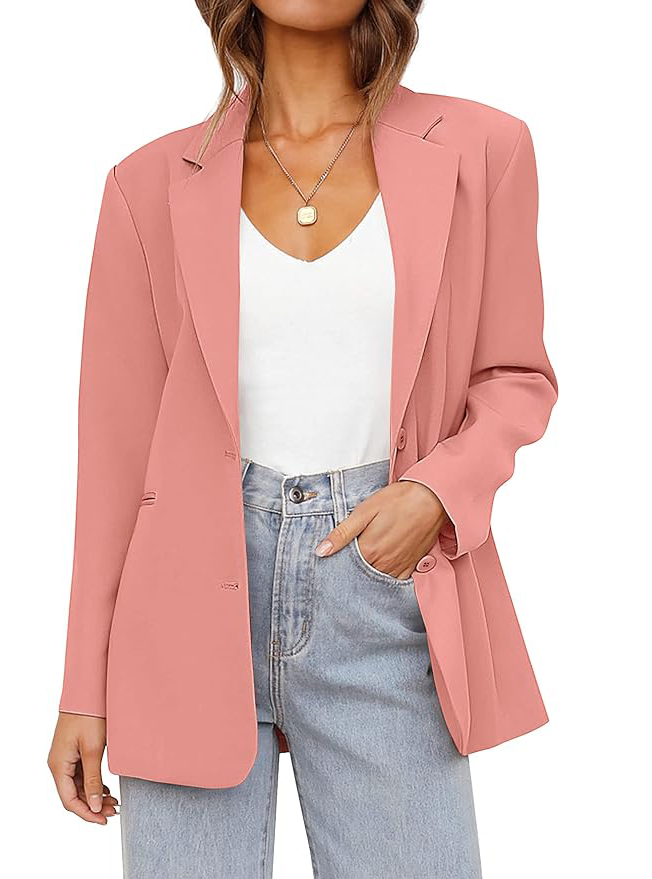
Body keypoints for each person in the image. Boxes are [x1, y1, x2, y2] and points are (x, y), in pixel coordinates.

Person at [47, 1, 558, 876]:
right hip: (183, 605)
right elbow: (115, 461)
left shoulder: (484, 149)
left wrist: (433, 492)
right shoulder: (146, 184)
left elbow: (516, 375)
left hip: (382, 589)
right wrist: (82, 686)